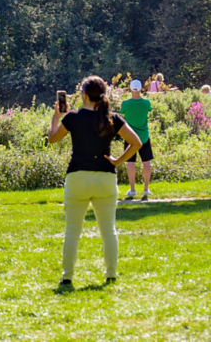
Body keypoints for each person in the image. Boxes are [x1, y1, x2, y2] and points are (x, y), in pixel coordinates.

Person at [47, 75, 142, 287]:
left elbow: (52, 138)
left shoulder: (72, 117)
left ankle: (67, 276)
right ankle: (111, 274)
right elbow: (136, 143)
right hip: (105, 178)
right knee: (108, 230)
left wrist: (56, 116)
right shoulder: (113, 118)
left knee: (72, 231)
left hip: (77, 178)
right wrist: (118, 161)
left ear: (84, 95)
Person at [120, 79, 154, 201]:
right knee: (146, 162)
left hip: (130, 137)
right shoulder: (146, 103)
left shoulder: (125, 104)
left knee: (131, 163)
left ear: (130, 89)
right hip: (144, 136)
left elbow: (121, 113)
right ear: (141, 89)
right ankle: (146, 189)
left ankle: (132, 189)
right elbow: (149, 111)